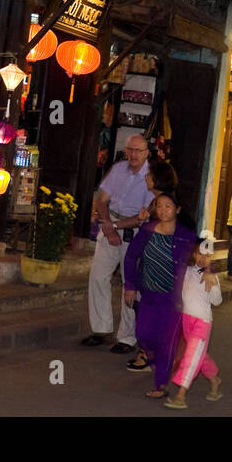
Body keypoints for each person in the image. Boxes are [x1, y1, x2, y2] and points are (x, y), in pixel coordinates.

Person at [81, 134, 153, 352]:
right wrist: (106, 223)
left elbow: (144, 215)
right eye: (130, 150)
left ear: (146, 153)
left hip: (133, 232)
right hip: (109, 224)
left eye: (138, 151)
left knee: (129, 284)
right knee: (97, 276)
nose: (133, 154)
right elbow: (101, 200)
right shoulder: (119, 169)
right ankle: (101, 329)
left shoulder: (151, 177)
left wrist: (115, 227)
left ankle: (127, 337)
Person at [123, 191, 198, 399]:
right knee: (143, 335)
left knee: (167, 342)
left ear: (177, 209)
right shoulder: (147, 231)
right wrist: (129, 285)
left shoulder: (186, 235)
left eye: (168, 206)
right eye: (159, 205)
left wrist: (208, 273)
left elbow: (202, 256)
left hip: (173, 301)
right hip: (148, 295)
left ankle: (161, 384)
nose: (163, 210)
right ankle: (160, 361)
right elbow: (131, 257)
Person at [164, 238, 224, 409]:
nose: (202, 258)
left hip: (202, 322)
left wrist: (212, 283)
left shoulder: (212, 277)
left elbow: (217, 301)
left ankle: (180, 396)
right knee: (199, 356)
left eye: (207, 255)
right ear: (194, 253)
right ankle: (214, 380)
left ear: (212, 257)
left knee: (191, 358)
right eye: (199, 253)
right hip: (186, 321)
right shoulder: (188, 271)